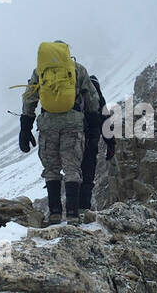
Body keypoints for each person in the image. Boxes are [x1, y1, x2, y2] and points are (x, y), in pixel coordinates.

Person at [18, 43, 100, 225]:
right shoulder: (77, 69)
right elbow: (92, 99)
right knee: (73, 169)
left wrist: (25, 127)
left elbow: (29, 98)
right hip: (73, 124)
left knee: (51, 169)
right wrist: (94, 124)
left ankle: (54, 214)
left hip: (48, 125)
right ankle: (72, 215)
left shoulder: (39, 70)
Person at [79, 75, 116, 217]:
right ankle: (83, 210)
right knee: (87, 175)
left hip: (73, 140)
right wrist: (111, 144)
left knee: (74, 174)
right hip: (91, 140)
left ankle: (69, 212)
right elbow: (106, 123)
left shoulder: (76, 95)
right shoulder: (98, 97)